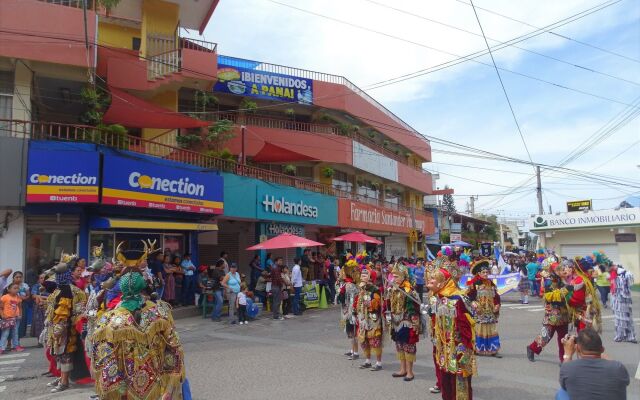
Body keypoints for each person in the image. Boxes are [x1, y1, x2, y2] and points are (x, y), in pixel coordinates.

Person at [91, 266, 186, 399]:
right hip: (157, 383)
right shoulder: (160, 312)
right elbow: (174, 348)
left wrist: (115, 387)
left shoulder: (109, 319)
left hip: (125, 388)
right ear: (142, 287)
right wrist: (169, 387)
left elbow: (103, 358)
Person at [427, 266, 475, 400]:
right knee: (446, 380)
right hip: (443, 347)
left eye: (433, 278)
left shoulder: (457, 299)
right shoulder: (437, 297)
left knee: (460, 381)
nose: (429, 280)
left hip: (458, 348)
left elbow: (468, 324)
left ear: (442, 283)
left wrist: (466, 350)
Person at [43, 255, 88, 393]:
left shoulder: (67, 290)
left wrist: (60, 326)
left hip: (64, 327)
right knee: (58, 353)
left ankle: (64, 381)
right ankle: (61, 377)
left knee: (65, 353)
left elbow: (66, 311)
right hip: (56, 326)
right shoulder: (60, 288)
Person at [556, 328, 629, 400]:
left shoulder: (568, 368)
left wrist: (567, 354)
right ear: (602, 349)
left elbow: (563, 383)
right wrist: (599, 350)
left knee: (562, 393)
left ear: (578, 349)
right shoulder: (619, 368)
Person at [527, 264, 570, 363]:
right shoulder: (549, 282)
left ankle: (563, 359)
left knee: (563, 338)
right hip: (552, 315)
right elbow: (550, 298)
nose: (565, 271)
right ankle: (532, 348)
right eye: (563, 269)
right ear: (557, 271)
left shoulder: (564, 281)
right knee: (545, 336)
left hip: (563, 315)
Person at [387, 263, 420, 382]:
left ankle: (410, 371)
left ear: (403, 277)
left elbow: (415, 308)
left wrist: (415, 322)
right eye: (393, 276)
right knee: (399, 345)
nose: (393, 279)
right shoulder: (392, 289)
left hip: (407, 322)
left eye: (396, 276)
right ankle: (402, 369)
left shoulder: (409, 290)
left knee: (408, 346)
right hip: (396, 321)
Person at [466, 260, 502, 357]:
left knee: (492, 330)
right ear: (479, 273)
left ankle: (493, 349)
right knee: (480, 330)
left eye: (487, 272)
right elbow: (469, 297)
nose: (486, 274)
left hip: (490, 311)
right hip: (479, 311)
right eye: (483, 272)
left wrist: (497, 305)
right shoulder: (474, 284)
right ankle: (478, 349)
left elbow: (496, 296)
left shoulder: (491, 284)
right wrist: (474, 304)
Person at [354, 268, 383, 371]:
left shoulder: (375, 289)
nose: (362, 276)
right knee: (363, 340)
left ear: (371, 277)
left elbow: (378, 303)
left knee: (374, 340)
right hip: (362, 317)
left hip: (372, 318)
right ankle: (368, 360)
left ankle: (379, 362)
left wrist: (370, 304)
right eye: (362, 275)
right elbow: (358, 302)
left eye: (365, 275)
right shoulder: (361, 288)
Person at [338, 255, 360, 360]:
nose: (341, 273)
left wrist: (353, 312)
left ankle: (355, 352)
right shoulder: (346, 284)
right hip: (346, 310)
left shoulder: (351, 285)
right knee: (349, 331)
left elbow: (352, 300)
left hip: (351, 311)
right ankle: (352, 350)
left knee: (352, 331)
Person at [612, 265, 636, 343]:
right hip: (618, 300)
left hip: (625, 300)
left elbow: (630, 284)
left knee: (627, 318)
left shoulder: (625, 274)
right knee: (620, 319)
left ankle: (630, 336)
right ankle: (621, 335)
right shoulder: (614, 276)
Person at [0, 283, 24, 354]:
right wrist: (2, 315)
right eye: (14, 288)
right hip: (7, 318)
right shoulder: (5, 297)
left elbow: (20, 307)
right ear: (9, 289)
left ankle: (16, 346)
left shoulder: (18, 297)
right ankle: (1, 348)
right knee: (5, 333)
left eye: (17, 288)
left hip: (16, 318)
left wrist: (20, 315)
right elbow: (1, 307)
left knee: (15, 332)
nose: (17, 290)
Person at [30, 273, 47, 342]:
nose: (43, 279)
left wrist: (40, 296)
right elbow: (33, 295)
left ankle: (48, 340)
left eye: (44, 278)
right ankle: (39, 341)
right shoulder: (36, 286)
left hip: (48, 306)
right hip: (38, 307)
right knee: (38, 323)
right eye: (41, 278)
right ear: (38, 280)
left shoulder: (50, 286)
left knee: (48, 323)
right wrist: (44, 297)